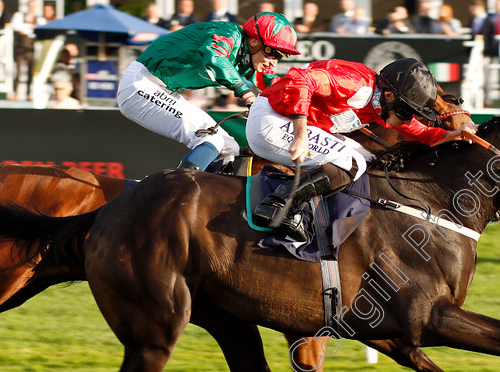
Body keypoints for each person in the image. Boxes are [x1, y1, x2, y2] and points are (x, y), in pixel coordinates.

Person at [245, 58, 477, 241]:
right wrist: (300, 132)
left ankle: (322, 218)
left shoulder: (381, 103)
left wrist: (454, 134)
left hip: (284, 120)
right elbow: (301, 79)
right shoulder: (355, 83)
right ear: (389, 96)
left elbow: (423, 134)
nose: (409, 120)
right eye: (408, 112)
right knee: (353, 162)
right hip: (271, 120)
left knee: (369, 161)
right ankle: (277, 204)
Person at [117, 12, 299, 171]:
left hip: (161, 88)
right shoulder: (229, 33)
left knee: (230, 148)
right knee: (211, 140)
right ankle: (177, 191)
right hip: (140, 84)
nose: (274, 62)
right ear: (254, 42)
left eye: (280, 57)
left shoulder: (250, 57)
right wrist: (246, 94)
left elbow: (274, 86)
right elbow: (214, 56)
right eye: (273, 53)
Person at [10, 0, 44, 100]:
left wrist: (26, 28)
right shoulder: (19, 16)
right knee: (18, 72)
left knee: (31, 72)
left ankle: (29, 94)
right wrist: (29, 27)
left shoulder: (39, 18)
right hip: (20, 48)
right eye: (31, 5)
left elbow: (41, 28)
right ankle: (15, 93)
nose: (32, 7)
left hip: (32, 49)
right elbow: (15, 26)